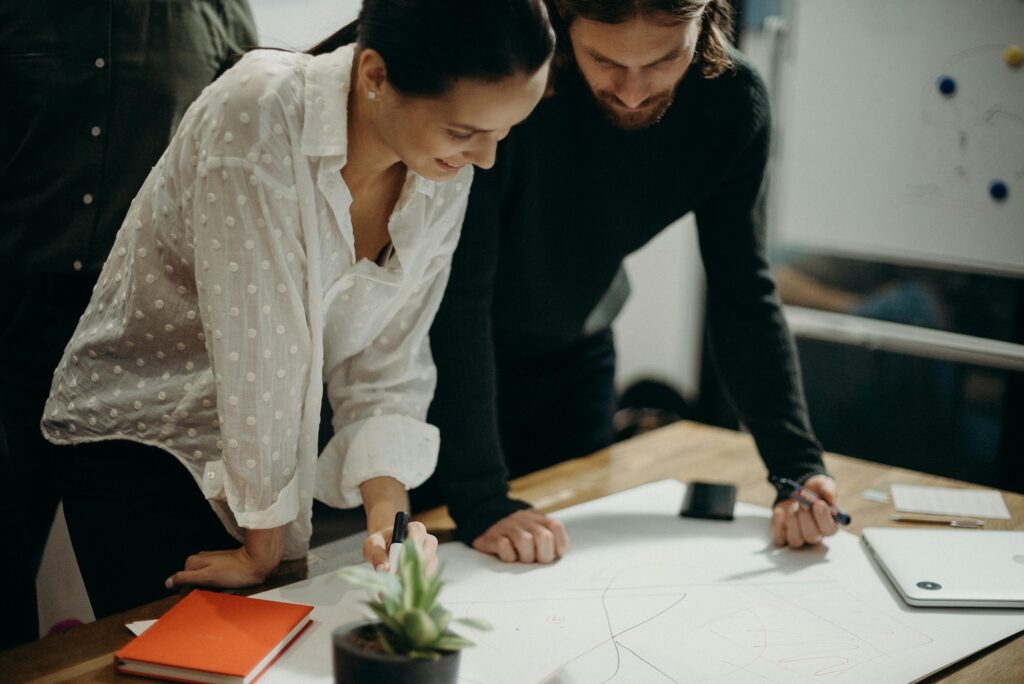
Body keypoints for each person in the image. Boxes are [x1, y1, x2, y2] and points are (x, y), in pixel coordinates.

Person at [40, 0, 554, 618]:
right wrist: (265, 548)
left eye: (503, 133)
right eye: (466, 132)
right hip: (150, 440)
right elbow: (263, 352)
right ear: (374, 76)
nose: (486, 158)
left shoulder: (441, 168)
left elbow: (387, 362)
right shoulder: (258, 111)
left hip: (266, 467)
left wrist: (392, 530)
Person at [422, 0, 841, 564]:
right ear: (564, 23)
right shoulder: (512, 88)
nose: (634, 91)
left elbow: (743, 291)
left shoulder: (732, 102)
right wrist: (480, 500)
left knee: (573, 576)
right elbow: (459, 296)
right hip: (441, 371)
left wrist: (796, 468)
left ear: (708, 21)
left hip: (575, 361)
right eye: (605, 61)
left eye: (665, 59)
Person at [0, 0, 256, 649]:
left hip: (148, 346)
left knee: (160, 595)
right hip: (17, 317)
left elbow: (245, 158)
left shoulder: (216, 12)